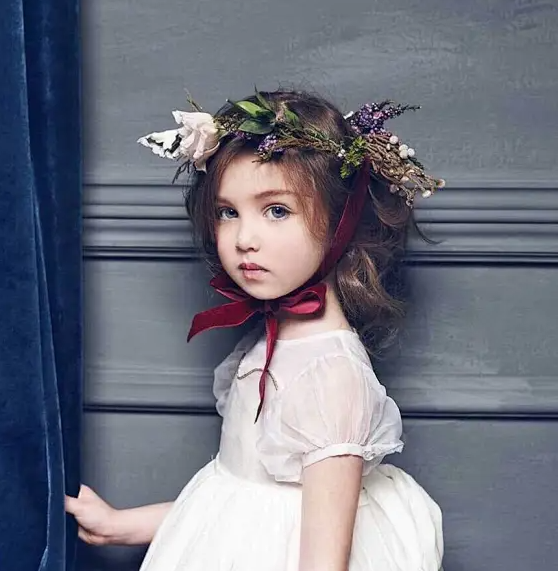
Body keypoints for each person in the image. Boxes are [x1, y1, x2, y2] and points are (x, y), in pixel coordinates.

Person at [66, 88, 445, 570]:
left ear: (341, 223)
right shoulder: (278, 342)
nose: (244, 238)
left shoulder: (331, 376)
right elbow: (242, 506)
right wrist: (121, 525)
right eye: (228, 212)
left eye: (277, 210)